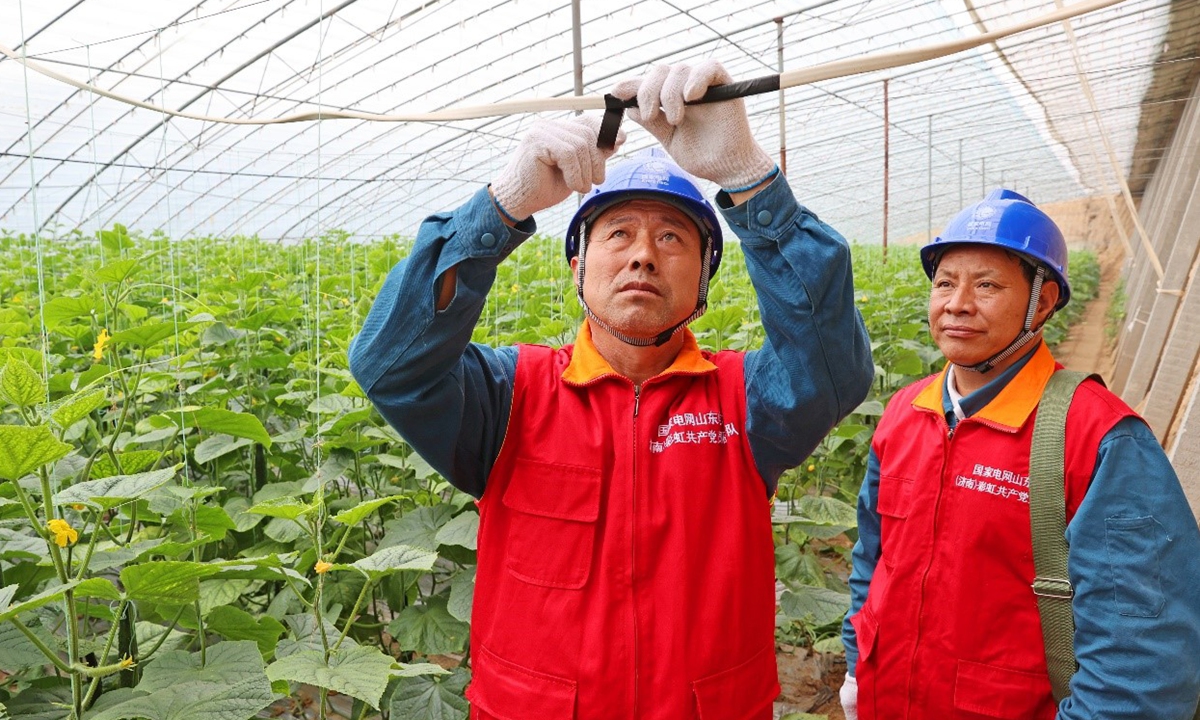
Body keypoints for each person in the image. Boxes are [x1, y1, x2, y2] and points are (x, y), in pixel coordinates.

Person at [350, 60, 872, 718]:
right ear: (578, 268)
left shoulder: (746, 401)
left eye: (672, 237)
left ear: (704, 284)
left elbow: (832, 368)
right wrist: (502, 204)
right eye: (619, 233)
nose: (643, 255)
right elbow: (388, 365)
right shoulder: (508, 397)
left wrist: (748, 176)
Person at [839, 188, 1200, 720]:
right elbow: (872, 558)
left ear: (1044, 302)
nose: (957, 304)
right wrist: (856, 663)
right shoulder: (904, 413)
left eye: (986, 285)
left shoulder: (1098, 438)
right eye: (945, 283)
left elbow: (1142, 657)